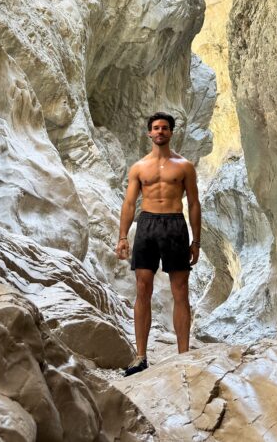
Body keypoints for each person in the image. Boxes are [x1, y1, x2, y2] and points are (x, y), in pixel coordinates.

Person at [115, 111, 201, 377]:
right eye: (156, 128)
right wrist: (122, 237)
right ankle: (140, 356)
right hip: (147, 225)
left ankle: (184, 355)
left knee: (180, 290)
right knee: (142, 288)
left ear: (171, 132)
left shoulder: (184, 166)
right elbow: (129, 203)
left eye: (165, 128)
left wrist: (196, 241)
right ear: (149, 133)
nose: (160, 131)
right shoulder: (139, 167)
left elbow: (194, 204)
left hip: (175, 225)